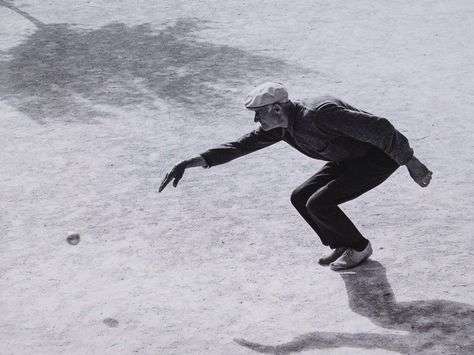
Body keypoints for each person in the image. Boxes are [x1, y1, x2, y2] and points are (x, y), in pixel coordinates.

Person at [159, 82, 432, 270]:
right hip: (347, 158)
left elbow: (382, 129)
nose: (256, 121)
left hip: (377, 159)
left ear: (276, 109)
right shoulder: (280, 126)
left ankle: (359, 247)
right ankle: (341, 243)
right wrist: (191, 162)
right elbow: (240, 145)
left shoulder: (321, 114)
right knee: (300, 197)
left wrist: (410, 162)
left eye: (258, 114)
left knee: (319, 203)